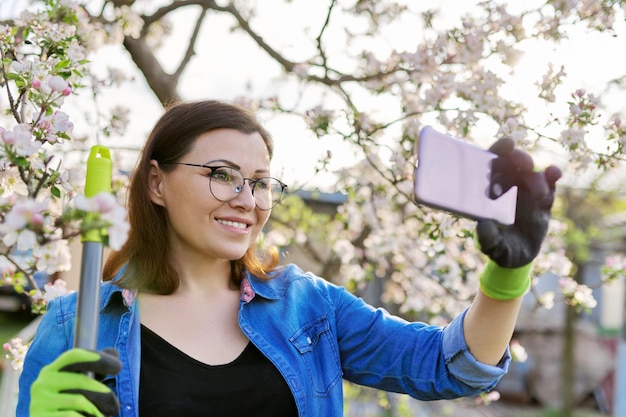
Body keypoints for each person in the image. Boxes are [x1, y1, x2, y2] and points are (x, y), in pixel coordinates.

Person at [17, 99, 561, 417]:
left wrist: (508, 275)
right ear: (156, 182)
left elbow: (451, 367)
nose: (247, 200)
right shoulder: (77, 325)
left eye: (260, 183)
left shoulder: (308, 308)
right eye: (222, 175)